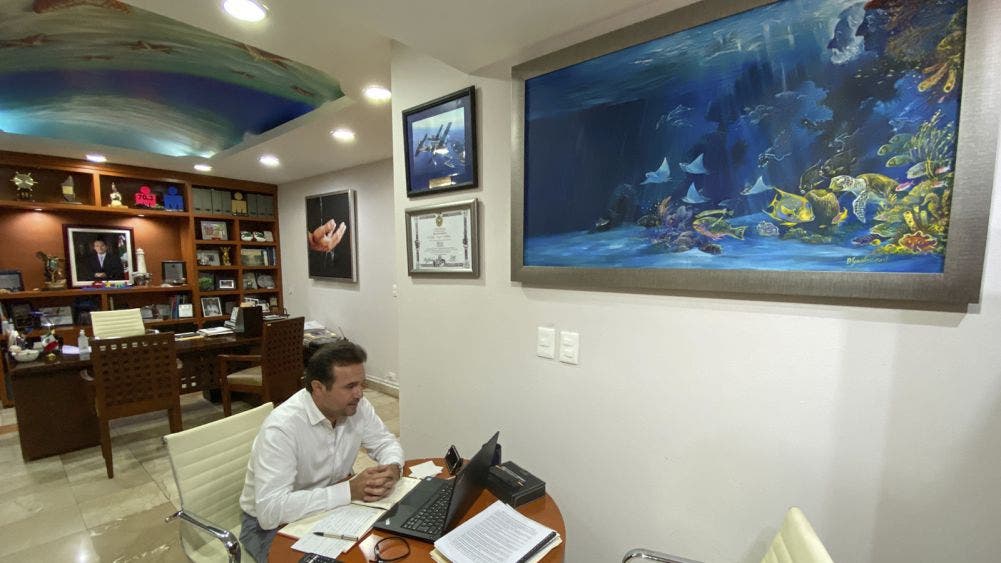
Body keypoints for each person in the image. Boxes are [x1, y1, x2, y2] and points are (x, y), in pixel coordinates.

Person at [238, 340, 403, 562]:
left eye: (361, 384)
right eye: (350, 386)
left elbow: (385, 442)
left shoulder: (356, 407)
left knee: (391, 540)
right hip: (271, 527)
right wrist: (349, 491)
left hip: (329, 506)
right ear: (318, 388)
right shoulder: (283, 427)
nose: (359, 394)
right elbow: (271, 512)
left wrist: (393, 467)